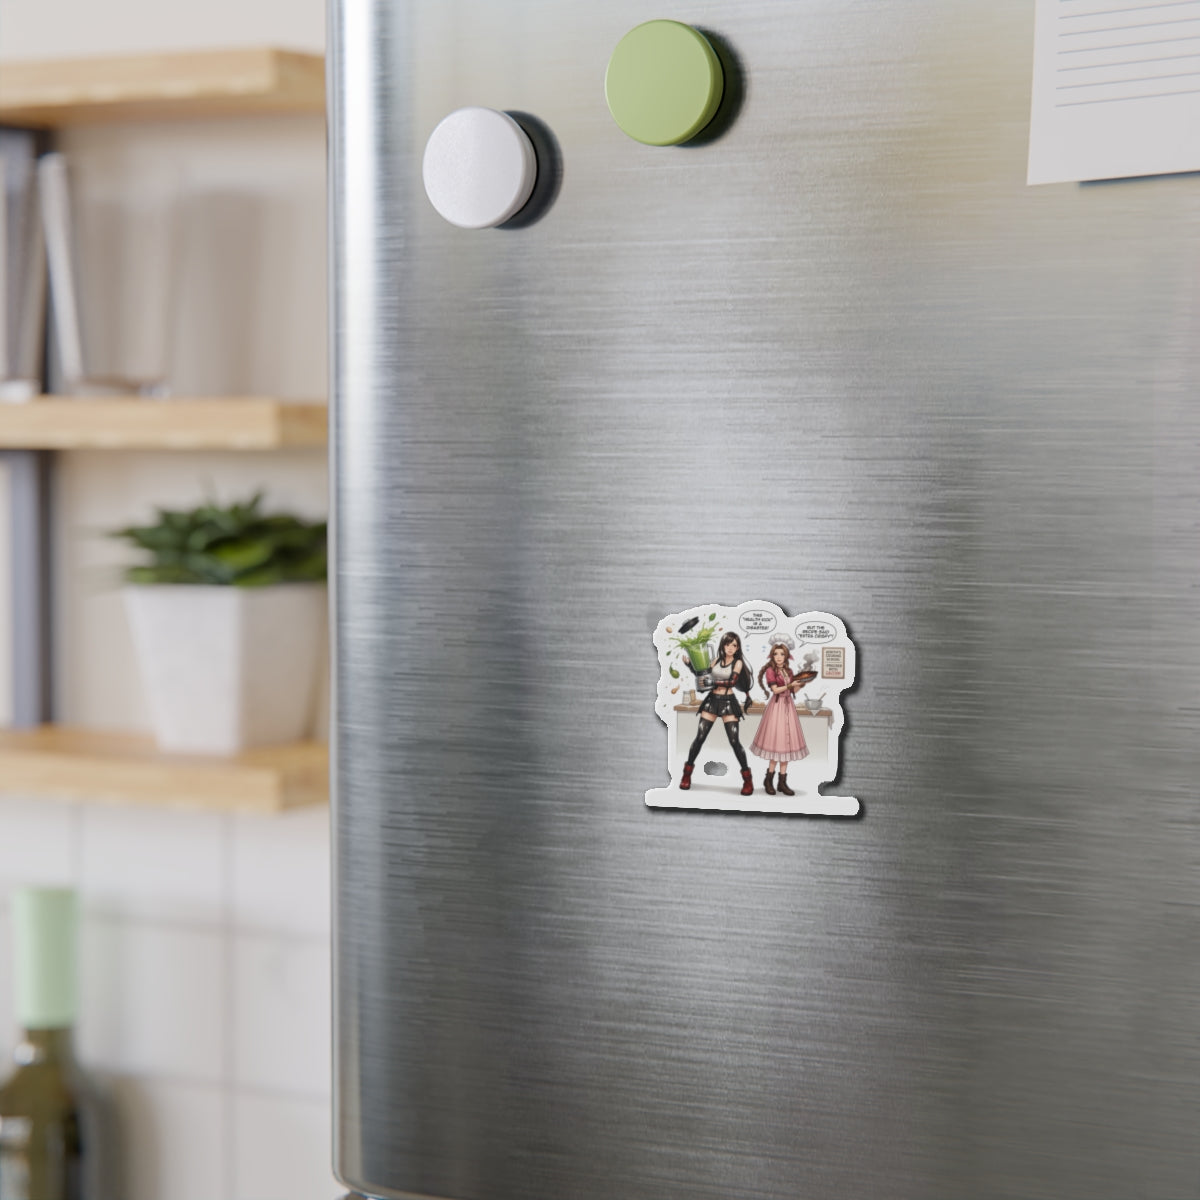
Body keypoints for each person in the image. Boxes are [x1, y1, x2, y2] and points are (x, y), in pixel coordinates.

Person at [679, 632, 755, 796]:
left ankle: (747, 779)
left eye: (734, 645)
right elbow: (703, 676)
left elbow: (732, 682)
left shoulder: (738, 663)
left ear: (738, 648)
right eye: (728, 644)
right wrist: (690, 666)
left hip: (728, 702)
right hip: (712, 701)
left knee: (734, 741)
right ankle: (686, 774)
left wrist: (713, 682)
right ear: (723, 645)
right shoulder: (715, 660)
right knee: (700, 737)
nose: (730, 648)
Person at [750, 643, 809, 796]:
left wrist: (801, 684)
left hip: (788, 707)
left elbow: (793, 689)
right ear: (772, 655)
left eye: (782, 654)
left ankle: (782, 782)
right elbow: (775, 690)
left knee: (786, 744)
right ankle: (768, 780)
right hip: (777, 708)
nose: (779, 657)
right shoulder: (770, 671)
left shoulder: (788, 671)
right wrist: (790, 685)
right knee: (777, 744)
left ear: (786, 656)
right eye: (776, 654)